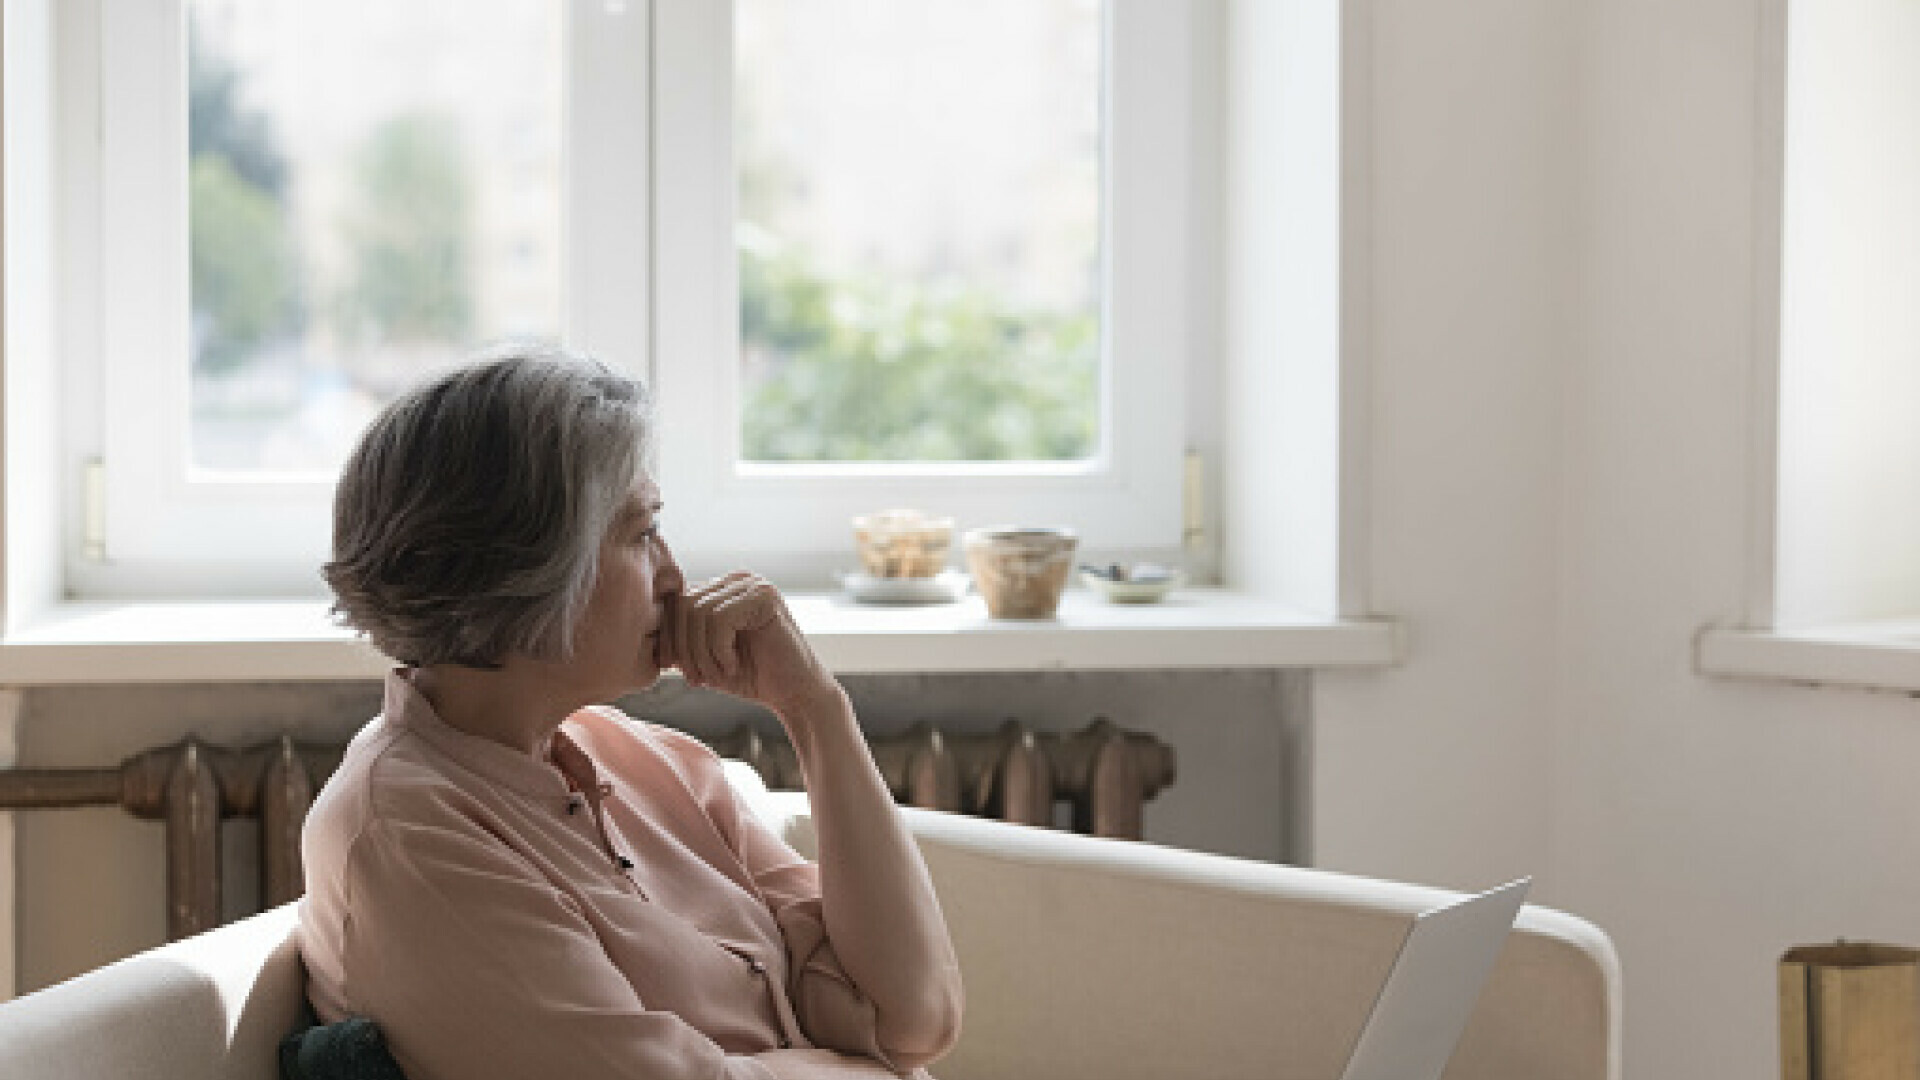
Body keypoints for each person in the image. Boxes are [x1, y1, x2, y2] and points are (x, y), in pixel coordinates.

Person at [298, 345, 964, 1080]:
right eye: (643, 534)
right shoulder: (411, 836)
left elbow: (911, 1018)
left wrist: (815, 709)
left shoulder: (655, 765)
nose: (677, 577)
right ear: (534, 568)